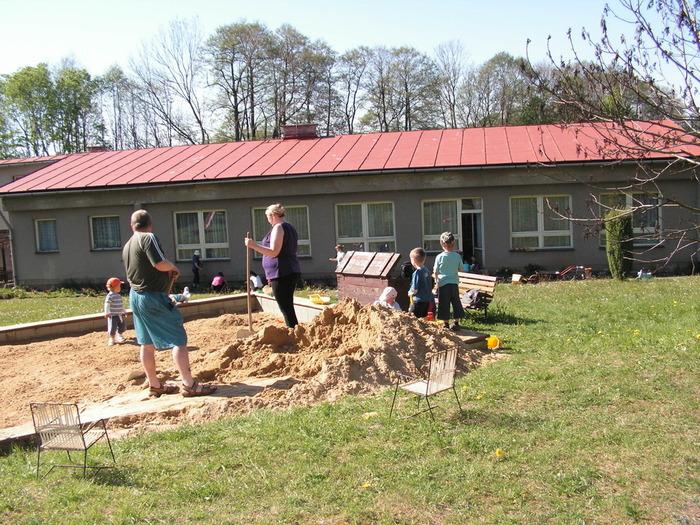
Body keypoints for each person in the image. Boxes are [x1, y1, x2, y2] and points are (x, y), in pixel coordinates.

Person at [123, 209, 216, 398]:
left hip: (135, 296)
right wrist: (173, 267)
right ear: (150, 224)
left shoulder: (128, 244)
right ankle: (189, 384)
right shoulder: (148, 238)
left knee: (146, 342)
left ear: (132, 226)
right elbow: (159, 263)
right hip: (153, 297)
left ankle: (155, 385)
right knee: (178, 339)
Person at [244, 203, 301, 327]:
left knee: (286, 307)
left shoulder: (278, 227)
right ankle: (294, 331)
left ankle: (293, 332)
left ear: (273, 215)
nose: (268, 220)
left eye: (268, 217)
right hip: (288, 270)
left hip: (281, 272)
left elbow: (274, 251)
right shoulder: (289, 227)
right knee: (287, 306)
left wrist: (253, 246)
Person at [433, 231, 465, 331]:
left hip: (443, 283)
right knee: (456, 302)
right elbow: (461, 269)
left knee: (444, 303)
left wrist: (436, 281)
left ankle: (445, 323)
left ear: (442, 244)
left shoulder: (439, 257)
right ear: (454, 243)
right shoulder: (457, 256)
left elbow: (435, 271)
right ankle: (456, 322)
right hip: (454, 283)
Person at [407, 247, 433, 319]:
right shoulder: (426, 270)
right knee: (424, 317)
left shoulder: (417, 273)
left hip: (418, 300)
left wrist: (410, 293)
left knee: (414, 318)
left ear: (414, 260)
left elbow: (415, 289)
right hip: (426, 299)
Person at [104, 277, 127, 346]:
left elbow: (121, 305)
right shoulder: (110, 296)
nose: (120, 288)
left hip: (120, 315)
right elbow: (107, 304)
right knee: (112, 327)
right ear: (114, 287)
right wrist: (106, 313)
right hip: (112, 315)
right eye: (119, 286)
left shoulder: (118, 296)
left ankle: (119, 335)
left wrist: (124, 311)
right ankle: (112, 338)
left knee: (122, 326)